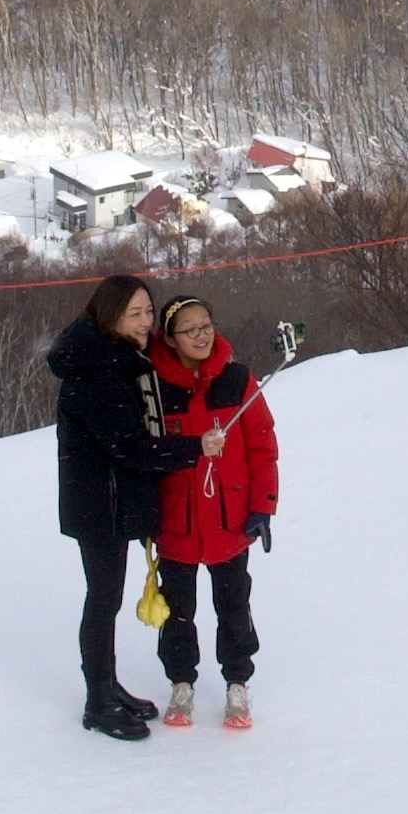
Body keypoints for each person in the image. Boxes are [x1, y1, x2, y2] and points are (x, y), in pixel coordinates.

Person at [42, 268, 197, 739]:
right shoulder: (96, 373)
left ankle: (110, 687)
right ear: (110, 316)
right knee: (104, 598)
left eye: (149, 311)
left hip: (110, 499)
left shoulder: (117, 357)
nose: (146, 322)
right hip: (98, 505)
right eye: (135, 313)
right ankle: (98, 700)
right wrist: (192, 449)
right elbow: (129, 446)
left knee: (106, 597)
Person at [144, 291, 278, 731]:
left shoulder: (237, 379)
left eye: (207, 325)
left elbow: (262, 445)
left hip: (229, 519)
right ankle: (181, 680)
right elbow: (146, 454)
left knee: (234, 603)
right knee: (178, 608)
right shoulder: (154, 387)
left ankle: (237, 681)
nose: (202, 335)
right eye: (190, 329)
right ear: (170, 338)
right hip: (176, 522)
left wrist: (263, 506)